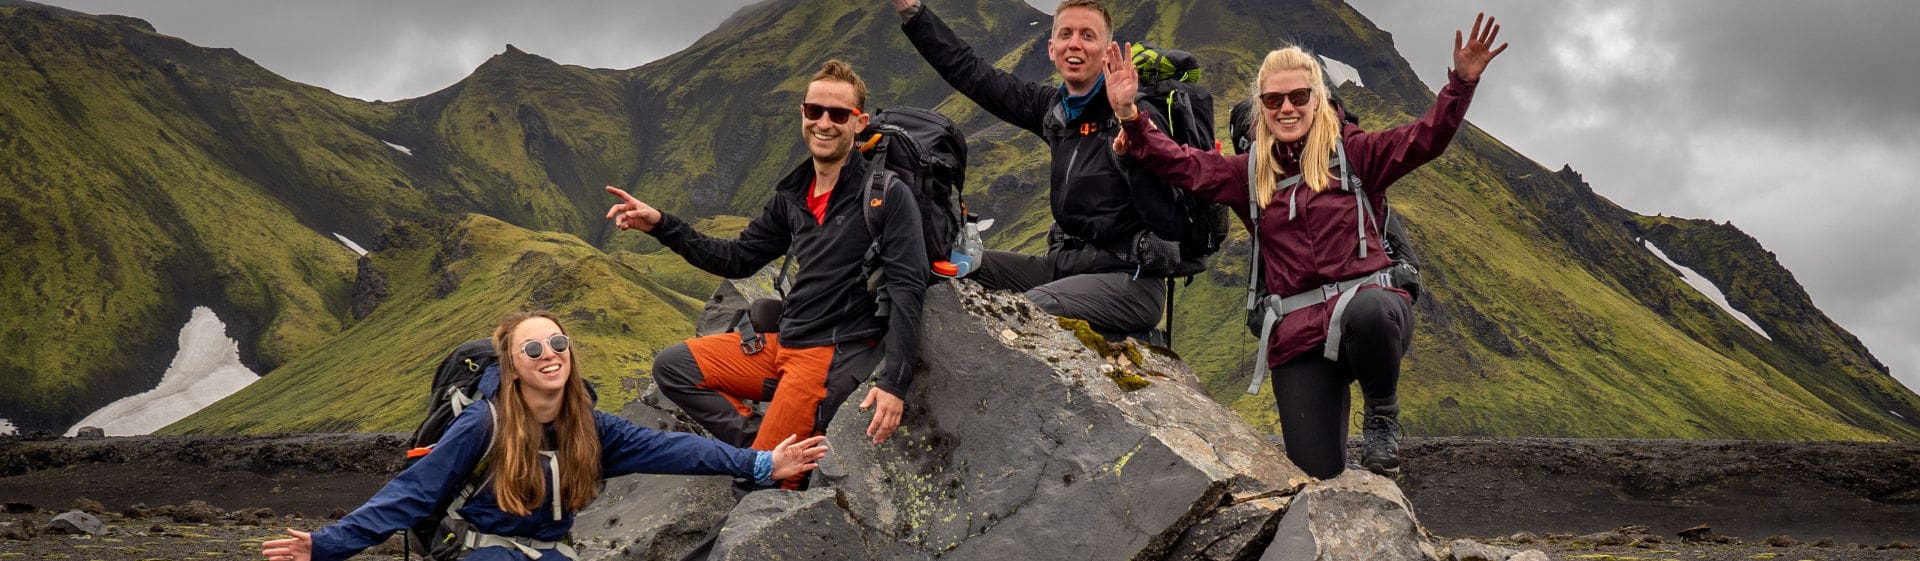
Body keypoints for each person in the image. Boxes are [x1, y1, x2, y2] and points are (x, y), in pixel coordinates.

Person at [1104, 15, 1509, 478]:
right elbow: (1184, 166)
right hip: (1298, 331)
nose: (1287, 108)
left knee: (1371, 309)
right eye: (1274, 100)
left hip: (1369, 309)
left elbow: (1424, 139)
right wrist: (1130, 118)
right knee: (1316, 473)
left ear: (1318, 99)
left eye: (1298, 97)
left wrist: (1460, 84)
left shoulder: (1356, 154)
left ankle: (1382, 416)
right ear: (1262, 107)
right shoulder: (1249, 173)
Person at [259, 311, 828, 561]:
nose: (548, 354)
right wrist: (326, 546)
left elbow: (676, 448)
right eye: (532, 349)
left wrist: (760, 465)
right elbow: (410, 494)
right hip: (479, 553)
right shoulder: (483, 425)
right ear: (511, 366)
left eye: (557, 344)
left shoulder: (589, 427)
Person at [603, 60, 927, 490]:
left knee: (763, 485)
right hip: (784, 344)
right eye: (815, 111)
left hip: (826, 354)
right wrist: (662, 224)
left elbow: (908, 287)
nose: (824, 123)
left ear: (859, 122)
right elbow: (737, 260)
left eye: (838, 114)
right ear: (803, 114)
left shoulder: (885, 194)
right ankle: (763, 443)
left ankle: (772, 461)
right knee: (674, 366)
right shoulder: (793, 195)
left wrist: (894, 384)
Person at [888, 0, 1185, 338]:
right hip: (1065, 267)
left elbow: (1168, 207)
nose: (1074, 43)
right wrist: (913, 11)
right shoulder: (1054, 111)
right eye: (1066, 34)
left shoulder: (1136, 115)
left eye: (1088, 35)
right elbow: (972, 74)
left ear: (1106, 53)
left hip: (1131, 279)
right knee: (952, 268)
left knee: (1030, 309)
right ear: (1051, 48)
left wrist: (1131, 122)